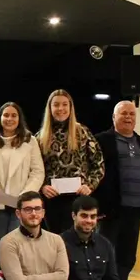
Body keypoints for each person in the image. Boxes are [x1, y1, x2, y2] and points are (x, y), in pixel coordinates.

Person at [93, 100, 140, 280]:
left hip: (134, 210)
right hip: (109, 211)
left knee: (127, 257)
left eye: (131, 114)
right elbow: (94, 174)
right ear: (114, 117)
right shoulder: (102, 140)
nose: (128, 117)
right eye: (123, 113)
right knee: (104, 255)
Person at [37, 89, 105, 234]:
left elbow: (99, 164)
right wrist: (42, 187)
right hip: (51, 201)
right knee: (55, 243)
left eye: (64, 104)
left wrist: (90, 186)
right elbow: (34, 169)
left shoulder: (83, 132)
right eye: (56, 105)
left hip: (78, 199)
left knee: (77, 242)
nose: (60, 109)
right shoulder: (40, 137)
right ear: (50, 108)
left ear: (70, 107)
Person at [0, 102, 45, 239]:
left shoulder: (30, 141)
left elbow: (37, 172)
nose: (10, 119)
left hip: (21, 202)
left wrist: (25, 196)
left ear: (19, 119)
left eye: (14, 115)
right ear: (0, 118)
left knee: (17, 240)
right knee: (1, 240)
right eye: (6, 115)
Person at [0, 191, 69, 280]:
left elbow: (62, 278)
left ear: (43, 212)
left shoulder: (56, 240)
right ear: (18, 214)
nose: (34, 213)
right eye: (28, 209)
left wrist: (24, 279)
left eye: (37, 209)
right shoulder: (7, 242)